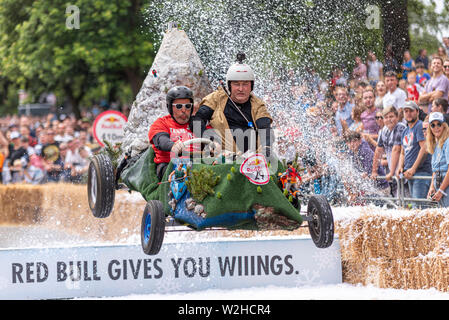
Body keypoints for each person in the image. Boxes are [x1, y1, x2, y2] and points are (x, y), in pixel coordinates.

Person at [192, 54, 273, 156]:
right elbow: (197, 120)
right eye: (236, 84)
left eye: (245, 84)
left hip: (251, 160)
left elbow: (265, 129)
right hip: (221, 156)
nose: (240, 89)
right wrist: (209, 141)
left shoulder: (257, 105)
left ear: (251, 86)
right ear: (229, 85)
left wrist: (266, 147)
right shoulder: (216, 99)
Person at [148, 86, 198, 180]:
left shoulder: (198, 123)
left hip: (196, 164)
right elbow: (161, 140)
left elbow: (211, 137)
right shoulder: (161, 123)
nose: (184, 110)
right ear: (170, 107)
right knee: (181, 174)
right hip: (168, 166)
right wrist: (173, 146)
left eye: (187, 106)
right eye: (179, 106)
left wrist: (215, 144)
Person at [398, 101, 432, 204]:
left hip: (421, 172)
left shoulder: (420, 126)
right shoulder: (405, 130)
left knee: (419, 207)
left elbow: (424, 148)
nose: (408, 113)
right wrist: (400, 166)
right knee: (414, 206)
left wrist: (413, 168)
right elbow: (402, 152)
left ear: (417, 112)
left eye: (411, 111)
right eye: (406, 111)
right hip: (409, 173)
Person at [372, 106, 406, 196]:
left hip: (403, 170)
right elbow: (378, 151)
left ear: (397, 117)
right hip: (393, 171)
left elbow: (396, 150)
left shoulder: (400, 127)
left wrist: (391, 173)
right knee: (397, 200)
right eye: (386, 117)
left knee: (405, 200)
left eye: (391, 117)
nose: (389, 120)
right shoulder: (383, 131)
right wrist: (374, 171)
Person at [426, 112, 449, 206]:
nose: (436, 127)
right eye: (433, 125)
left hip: (445, 184)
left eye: (439, 124)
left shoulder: (447, 142)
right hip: (439, 182)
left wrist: (441, 190)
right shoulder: (435, 144)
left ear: (444, 126)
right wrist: (432, 187)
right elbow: (435, 170)